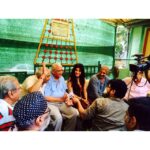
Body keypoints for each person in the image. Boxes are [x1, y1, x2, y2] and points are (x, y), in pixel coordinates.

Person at [44, 63, 79, 131]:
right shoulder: (48, 79)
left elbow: (65, 92)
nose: (61, 72)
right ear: (53, 71)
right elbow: (46, 97)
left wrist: (68, 99)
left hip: (62, 103)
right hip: (51, 104)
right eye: (59, 71)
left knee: (74, 113)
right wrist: (60, 99)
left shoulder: (62, 78)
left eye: (62, 70)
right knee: (58, 118)